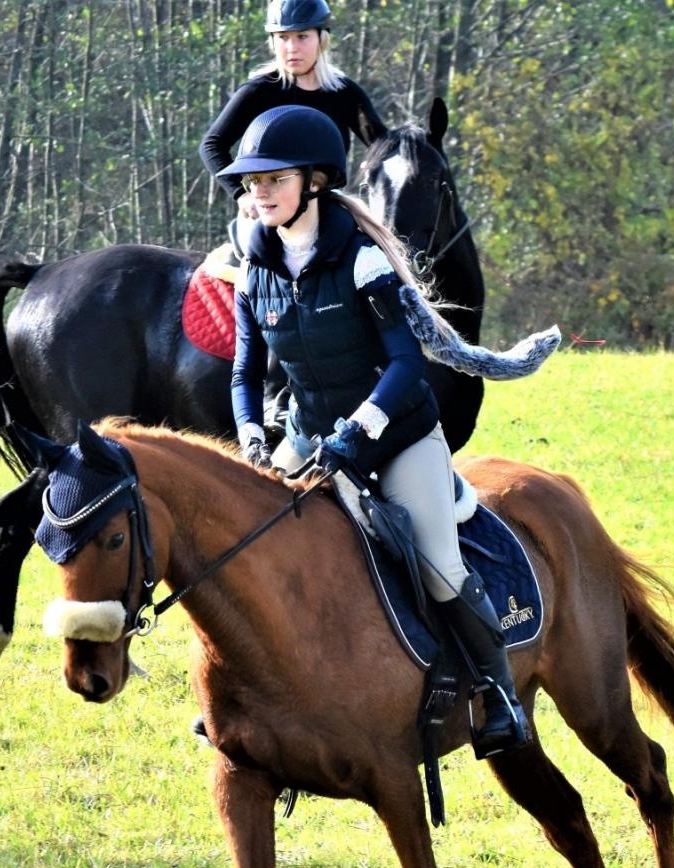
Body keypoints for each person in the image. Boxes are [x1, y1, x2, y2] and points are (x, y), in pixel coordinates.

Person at [222, 105, 530, 759]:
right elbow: (245, 373)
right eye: (252, 183)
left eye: (273, 179)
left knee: (441, 567)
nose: (260, 193)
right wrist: (251, 436)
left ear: (314, 181)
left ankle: (497, 695)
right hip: (308, 434)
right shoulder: (254, 270)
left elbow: (404, 365)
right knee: (251, 545)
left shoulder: (361, 260)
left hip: (398, 436)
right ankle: (261, 699)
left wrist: (354, 437)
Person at [201, 1, 386, 241]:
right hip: (268, 213)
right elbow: (212, 144)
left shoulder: (346, 93)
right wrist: (241, 194)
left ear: (322, 38)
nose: (291, 48)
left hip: (328, 206)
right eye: (283, 37)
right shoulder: (258, 91)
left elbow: (383, 149)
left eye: (302, 36)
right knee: (253, 258)